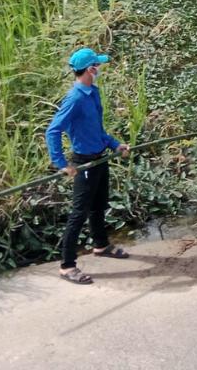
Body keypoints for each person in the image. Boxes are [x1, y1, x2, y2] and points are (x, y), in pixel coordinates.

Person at [46, 48, 131, 285]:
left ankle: (101, 245)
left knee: (98, 205)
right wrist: (61, 163)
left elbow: (97, 130)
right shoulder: (75, 99)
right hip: (84, 163)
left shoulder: (92, 92)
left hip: (99, 158)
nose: (100, 69)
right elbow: (53, 131)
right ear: (90, 69)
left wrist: (115, 144)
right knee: (78, 214)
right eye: (98, 65)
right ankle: (67, 266)